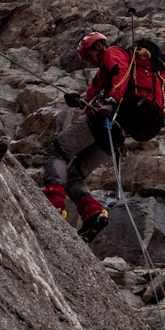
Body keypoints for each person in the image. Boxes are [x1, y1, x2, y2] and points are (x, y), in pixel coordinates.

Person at [41, 32, 129, 240]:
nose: (88, 61)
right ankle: (92, 213)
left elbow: (121, 73)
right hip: (114, 138)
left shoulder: (112, 53)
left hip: (103, 120)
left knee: (57, 152)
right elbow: (89, 101)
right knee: (75, 176)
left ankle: (54, 203)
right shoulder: (101, 77)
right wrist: (79, 102)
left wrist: (111, 102)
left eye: (88, 55)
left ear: (99, 47)